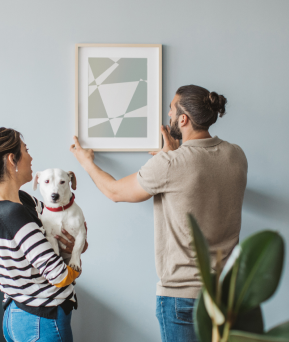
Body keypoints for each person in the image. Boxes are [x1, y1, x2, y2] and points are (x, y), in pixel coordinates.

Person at [70, 85, 247, 342]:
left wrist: (85, 161)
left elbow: (115, 192)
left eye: (171, 110)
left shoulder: (170, 164)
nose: (168, 115)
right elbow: (199, 177)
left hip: (183, 298)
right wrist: (173, 155)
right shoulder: (237, 155)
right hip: (227, 295)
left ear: (183, 119)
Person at [0, 127, 87, 342]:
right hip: (42, 320)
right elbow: (60, 276)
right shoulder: (14, 213)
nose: (31, 157)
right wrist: (76, 264)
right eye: (26, 150)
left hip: (19, 313)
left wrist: (76, 244)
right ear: (11, 160)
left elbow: (65, 227)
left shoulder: (15, 200)